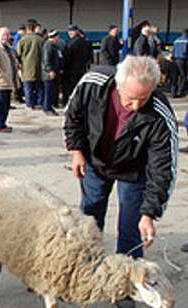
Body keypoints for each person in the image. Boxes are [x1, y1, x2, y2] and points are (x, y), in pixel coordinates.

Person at [64, 56, 177, 307]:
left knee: (131, 229)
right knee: (90, 219)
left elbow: (163, 169)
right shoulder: (93, 84)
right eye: (130, 98)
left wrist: (149, 213)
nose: (136, 106)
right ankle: (85, 273)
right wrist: (76, 151)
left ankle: (126, 287)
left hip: (135, 172)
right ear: (118, 84)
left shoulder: (160, 115)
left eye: (144, 99)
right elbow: (73, 116)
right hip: (96, 162)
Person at [63, 24, 93, 106]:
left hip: (71, 70)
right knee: (79, 87)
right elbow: (89, 56)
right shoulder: (86, 42)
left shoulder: (70, 44)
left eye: (71, 31)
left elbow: (67, 58)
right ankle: (79, 103)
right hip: (82, 68)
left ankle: (69, 103)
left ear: (76, 32)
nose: (70, 33)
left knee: (70, 88)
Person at [17, 21, 43, 109]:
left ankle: (29, 104)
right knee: (39, 87)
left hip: (26, 68)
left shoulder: (22, 40)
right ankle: (39, 103)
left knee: (28, 88)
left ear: (27, 29)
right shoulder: (41, 40)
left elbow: (18, 54)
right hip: (39, 68)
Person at [41, 30, 60, 115]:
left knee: (51, 91)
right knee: (48, 91)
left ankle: (49, 107)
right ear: (54, 37)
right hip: (48, 73)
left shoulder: (52, 45)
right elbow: (46, 60)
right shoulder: (48, 45)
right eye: (57, 37)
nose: (58, 38)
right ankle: (47, 108)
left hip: (51, 72)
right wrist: (50, 71)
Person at [170, 29, 188, 98]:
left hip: (174, 60)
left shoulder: (176, 40)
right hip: (183, 60)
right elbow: (185, 51)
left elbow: (173, 50)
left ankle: (173, 92)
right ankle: (180, 92)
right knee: (183, 76)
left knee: (175, 77)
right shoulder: (187, 40)